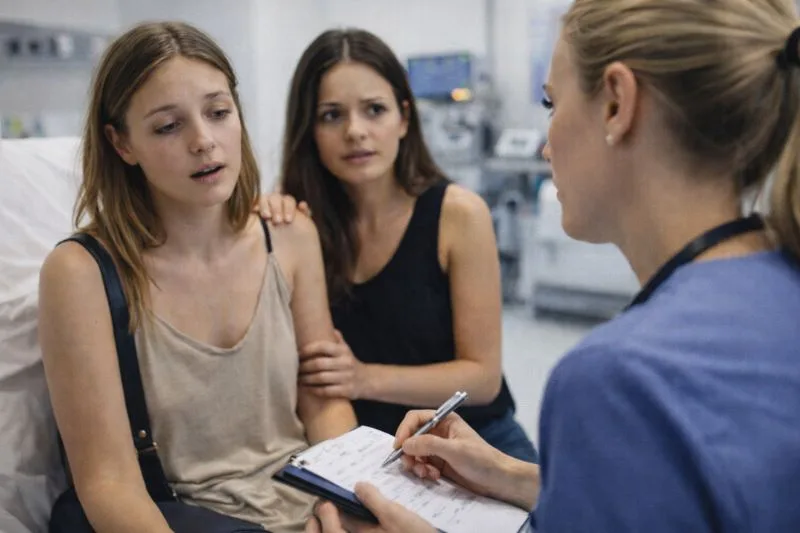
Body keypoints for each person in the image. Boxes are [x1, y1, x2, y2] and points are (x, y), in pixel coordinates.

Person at [304, 0, 800, 531]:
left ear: (616, 104)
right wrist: (507, 472)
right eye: (333, 115)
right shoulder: (780, 287)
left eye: (550, 103)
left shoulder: (616, 379)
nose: (544, 146)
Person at [37, 21, 356, 533]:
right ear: (122, 144)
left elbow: (324, 406)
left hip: (310, 504)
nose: (204, 141)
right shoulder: (80, 274)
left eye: (218, 112)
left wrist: (343, 508)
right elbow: (108, 483)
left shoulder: (291, 235)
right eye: (168, 126)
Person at [259, 28, 538, 464]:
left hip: (475, 441)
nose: (356, 131)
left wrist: (363, 379)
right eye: (332, 115)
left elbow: (482, 379)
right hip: (370, 447)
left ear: (404, 118)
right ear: (308, 130)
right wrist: (269, 213)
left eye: (374, 110)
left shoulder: (458, 215)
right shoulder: (300, 222)